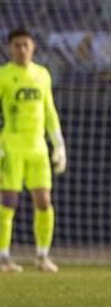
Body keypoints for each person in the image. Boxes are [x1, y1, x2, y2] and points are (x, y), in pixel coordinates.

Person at [0, 28, 67, 274]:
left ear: (33, 47)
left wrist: (58, 144)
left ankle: (42, 255)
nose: (21, 49)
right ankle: (3, 257)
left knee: (44, 201)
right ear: (9, 48)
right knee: (8, 202)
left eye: (25, 44)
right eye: (16, 45)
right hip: (11, 145)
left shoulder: (42, 75)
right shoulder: (3, 76)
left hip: (37, 146)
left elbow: (49, 111)